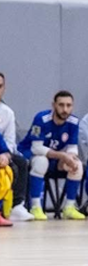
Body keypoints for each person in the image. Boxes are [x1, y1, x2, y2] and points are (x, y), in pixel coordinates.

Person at [18, 91, 86, 221]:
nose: (65, 109)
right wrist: (62, 156)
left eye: (68, 105)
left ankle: (69, 207)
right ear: (53, 105)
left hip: (55, 158)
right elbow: (36, 148)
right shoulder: (41, 119)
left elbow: (72, 147)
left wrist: (69, 158)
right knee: (41, 162)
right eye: (61, 105)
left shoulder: (74, 121)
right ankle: (35, 207)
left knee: (76, 165)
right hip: (31, 154)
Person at [0, 72, 33, 222]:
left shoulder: (7, 113)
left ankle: (17, 206)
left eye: (0, 86)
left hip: (2, 152)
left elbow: (9, 142)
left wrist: (5, 155)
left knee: (19, 163)